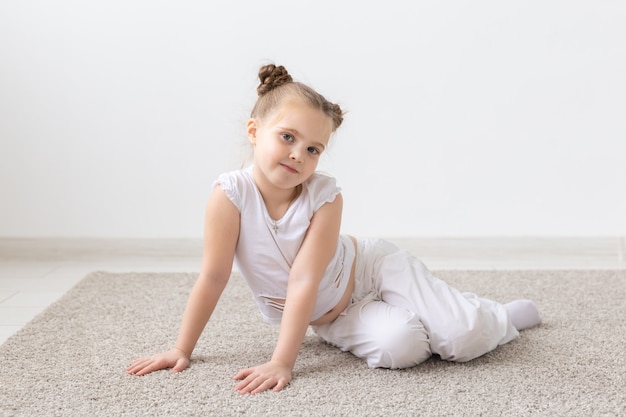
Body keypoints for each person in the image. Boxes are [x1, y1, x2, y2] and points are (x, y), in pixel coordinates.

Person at [126, 64, 541, 395]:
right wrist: (182, 349)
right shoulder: (230, 195)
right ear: (254, 132)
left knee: (462, 337)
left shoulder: (324, 195)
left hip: (371, 268)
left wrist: (282, 361)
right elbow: (213, 276)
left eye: (312, 149)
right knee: (402, 348)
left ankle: (493, 316)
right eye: (287, 137)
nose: (298, 155)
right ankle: (436, 316)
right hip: (333, 315)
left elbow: (305, 278)